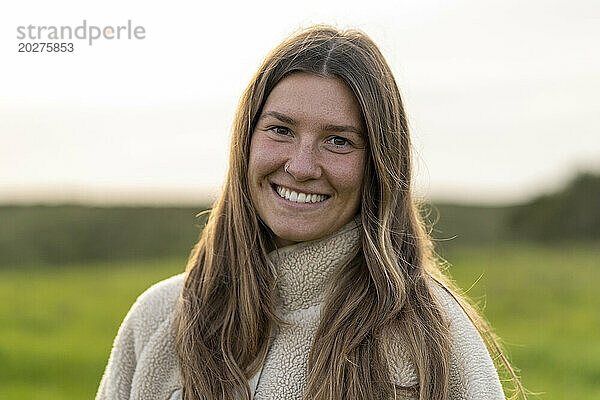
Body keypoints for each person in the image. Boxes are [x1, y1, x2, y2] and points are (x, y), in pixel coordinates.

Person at [96, 25, 525, 400]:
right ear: (245, 143)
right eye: (280, 131)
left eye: (338, 141)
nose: (301, 167)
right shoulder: (159, 318)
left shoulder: (434, 338)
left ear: (377, 164)